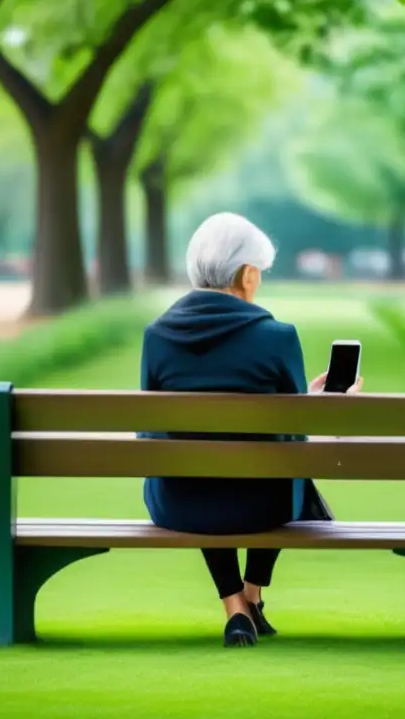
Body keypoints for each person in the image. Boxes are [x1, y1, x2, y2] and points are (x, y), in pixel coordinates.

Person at [139, 212, 363, 649]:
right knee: (280, 469)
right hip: (263, 504)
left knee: (198, 466)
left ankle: (236, 607)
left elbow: (152, 437)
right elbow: (296, 440)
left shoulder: (156, 336)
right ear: (247, 275)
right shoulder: (277, 336)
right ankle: (252, 594)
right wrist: (328, 407)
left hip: (181, 503)